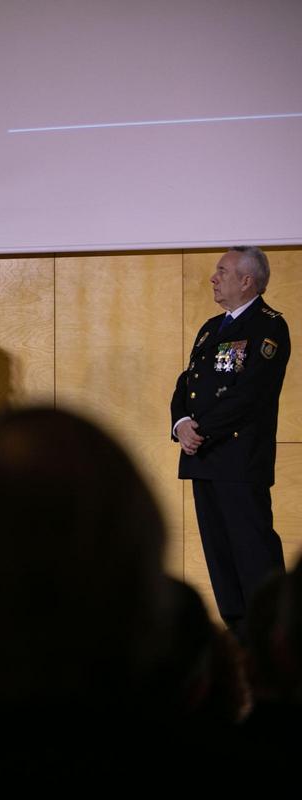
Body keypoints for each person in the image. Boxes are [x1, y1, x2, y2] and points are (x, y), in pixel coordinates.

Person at [171, 246, 290, 636]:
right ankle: (240, 646)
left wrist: (199, 427)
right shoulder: (210, 327)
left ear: (247, 280)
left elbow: (250, 395)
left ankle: (278, 645)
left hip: (239, 462)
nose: (213, 278)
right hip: (204, 459)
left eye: (222, 271)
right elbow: (186, 383)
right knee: (222, 564)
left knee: (254, 559)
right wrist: (181, 423)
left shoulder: (268, 327)